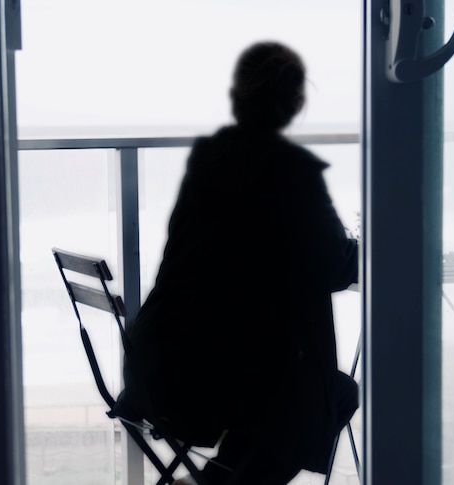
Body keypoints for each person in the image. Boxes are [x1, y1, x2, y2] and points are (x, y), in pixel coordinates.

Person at [118, 41, 359, 485]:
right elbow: (333, 266)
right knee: (333, 394)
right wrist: (367, 246)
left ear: (237, 97)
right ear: (296, 104)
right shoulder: (292, 171)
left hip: (158, 363)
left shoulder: (209, 160)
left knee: (278, 400)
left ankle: (212, 482)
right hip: (208, 377)